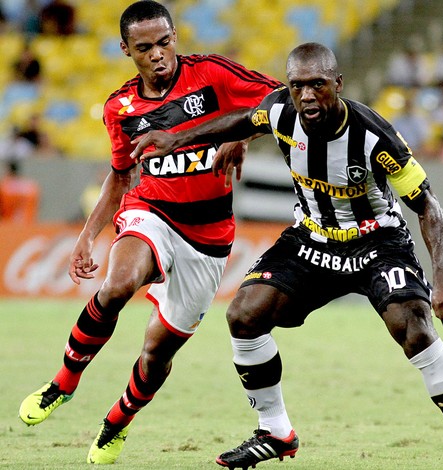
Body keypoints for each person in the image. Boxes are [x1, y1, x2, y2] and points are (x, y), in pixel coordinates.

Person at [133, 42, 443, 470]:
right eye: (297, 86)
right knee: (243, 315)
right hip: (312, 240)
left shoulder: (374, 135)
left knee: (415, 331)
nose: (306, 95)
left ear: (338, 85)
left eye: (317, 85)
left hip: (377, 243)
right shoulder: (281, 111)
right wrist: (183, 138)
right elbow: (245, 118)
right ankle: (275, 432)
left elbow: (428, 206)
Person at [18, 0, 280, 465]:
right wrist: (87, 234)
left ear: (175, 36)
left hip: (209, 234)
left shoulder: (212, 75)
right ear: (126, 50)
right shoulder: (120, 107)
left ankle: (116, 422)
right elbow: (121, 176)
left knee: (157, 351)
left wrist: (241, 135)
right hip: (151, 210)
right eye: (145, 47)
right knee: (116, 285)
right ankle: (64, 383)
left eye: (165, 42)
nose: (158, 54)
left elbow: (279, 98)